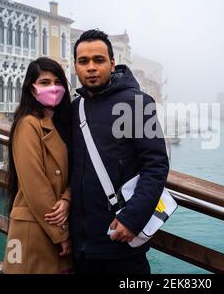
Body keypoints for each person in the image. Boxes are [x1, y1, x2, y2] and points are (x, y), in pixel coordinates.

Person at [70, 29, 170, 274]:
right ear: (75, 66)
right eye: (83, 61)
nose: (91, 67)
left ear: (112, 63)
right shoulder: (75, 109)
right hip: (80, 246)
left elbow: (156, 166)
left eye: (99, 60)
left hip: (121, 241)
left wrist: (132, 219)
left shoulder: (136, 104)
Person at [2, 57, 73, 274]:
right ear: (32, 89)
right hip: (36, 229)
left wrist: (67, 198)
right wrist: (62, 234)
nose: (52, 87)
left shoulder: (62, 124)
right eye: (44, 82)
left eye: (57, 81)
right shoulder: (28, 125)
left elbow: (78, 170)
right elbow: (35, 186)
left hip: (57, 220)